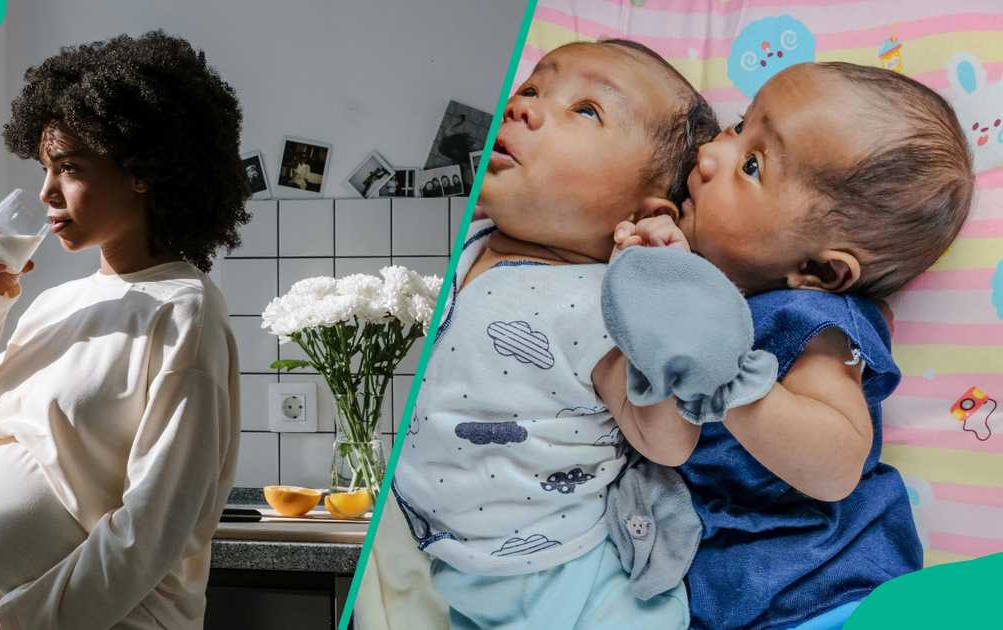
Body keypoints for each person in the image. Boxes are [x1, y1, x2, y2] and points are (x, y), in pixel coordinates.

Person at [597, 61, 974, 629]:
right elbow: (663, 443)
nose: (707, 154)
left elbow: (837, 464)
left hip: (830, 590)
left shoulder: (817, 322)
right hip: (715, 603)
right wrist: (647, 304)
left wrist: (730, 379)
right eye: (739, 123)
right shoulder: (697, 282)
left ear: (820, 270)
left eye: (751, 165)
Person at [390, 40, 718, 629]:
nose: (522, 108)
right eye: (533, 89)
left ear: (644, 211)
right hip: (459, 577)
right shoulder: (468, 247)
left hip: (577, 584)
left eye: (587, 110)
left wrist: (662, 299)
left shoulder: (607, 303)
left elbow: (668, 442)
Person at [0, 30, 250, 630]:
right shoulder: (56, 303)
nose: (48, 193)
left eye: (70, 167)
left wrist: (25, 620)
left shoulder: (185, 311)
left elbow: (155, 522)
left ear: (142, 172)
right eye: (45, 167)